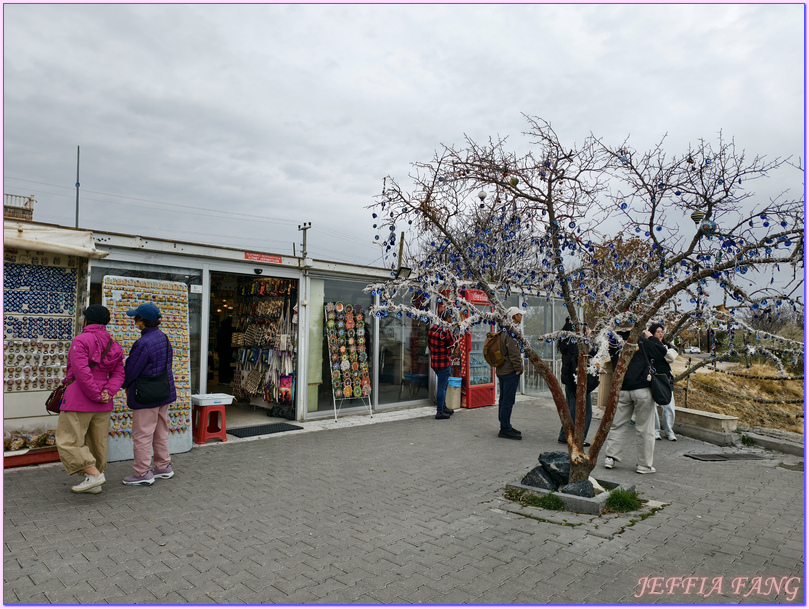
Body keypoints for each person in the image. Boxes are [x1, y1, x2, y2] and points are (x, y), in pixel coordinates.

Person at [56, 305, 125, 494]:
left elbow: (81, 372)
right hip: (103, 403)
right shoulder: (114, 344)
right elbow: (119, 373)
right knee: (97, 442)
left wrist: (95, 393)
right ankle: (94, 481)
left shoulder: (81, 340)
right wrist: (107, 392)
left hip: (79, 399)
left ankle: (94, 475)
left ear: (86, 319)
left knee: (68, 440)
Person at [121, 303, 177, 486]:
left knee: (143, 434)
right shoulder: (163, 337)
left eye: (136, 318)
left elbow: (132, 370)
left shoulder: (142, 343)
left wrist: (122, 384)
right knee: (161, 430)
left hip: (146, 394)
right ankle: (163, 466)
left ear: (142, 321)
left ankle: (142, 472)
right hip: (163, 390)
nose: (134, 321)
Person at [603, 324, 667, 474]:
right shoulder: (642, 341)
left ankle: (610, 457)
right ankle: (644, 464)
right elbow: (662, 351)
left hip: (623, 389)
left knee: (617, 425)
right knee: (645, 428)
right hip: (642, 388)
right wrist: (650, 336)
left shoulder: (614, 342)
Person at [557, 319, 597, 447]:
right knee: (584, 412)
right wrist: (589, 338)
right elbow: (592, 352)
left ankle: (565, 435)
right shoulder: (577, 344)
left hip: (569, 381)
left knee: (570, 410)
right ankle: (579, 437)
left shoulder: (567, 342)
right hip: (578, 381)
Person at [496, 306, 525, 440]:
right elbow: (514, 354)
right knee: (508, 400)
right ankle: (505, 428)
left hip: (502, 369)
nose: (521, 316)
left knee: (503, 399)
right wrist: (519, 368)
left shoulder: (502, 331)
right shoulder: (511, 332)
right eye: (519, 314)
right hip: (510, 371)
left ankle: (505, 424)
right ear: (514, 316)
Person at [649, 323, 679, 441]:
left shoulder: (667, 346)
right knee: (653, 407)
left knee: (669, 406)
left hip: (666, 377)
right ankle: (656, 430)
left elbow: (670, 357)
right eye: (658, 332)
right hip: (652, 378)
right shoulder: (648, 345)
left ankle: (668, 430)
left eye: (662, 331)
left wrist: (661, 348)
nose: (661, 334)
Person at [427, 309, 457, 420]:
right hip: (444, 363)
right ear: (447, 318)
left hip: (435, 363)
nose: (451, 320)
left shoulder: (433, 329)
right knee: (442, 387)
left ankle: (443, 407)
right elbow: (453, 344)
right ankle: (440, 411)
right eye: (450, 318)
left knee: (442, 386)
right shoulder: (446, 331)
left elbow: (429, 344)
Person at [216, 316, 234, 385]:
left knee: (221, 365)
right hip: (227, 350)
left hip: (221, 350)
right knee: (226, 366)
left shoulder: (221, 329)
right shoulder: (228, 330)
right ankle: (226, 380)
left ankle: (221, 380)